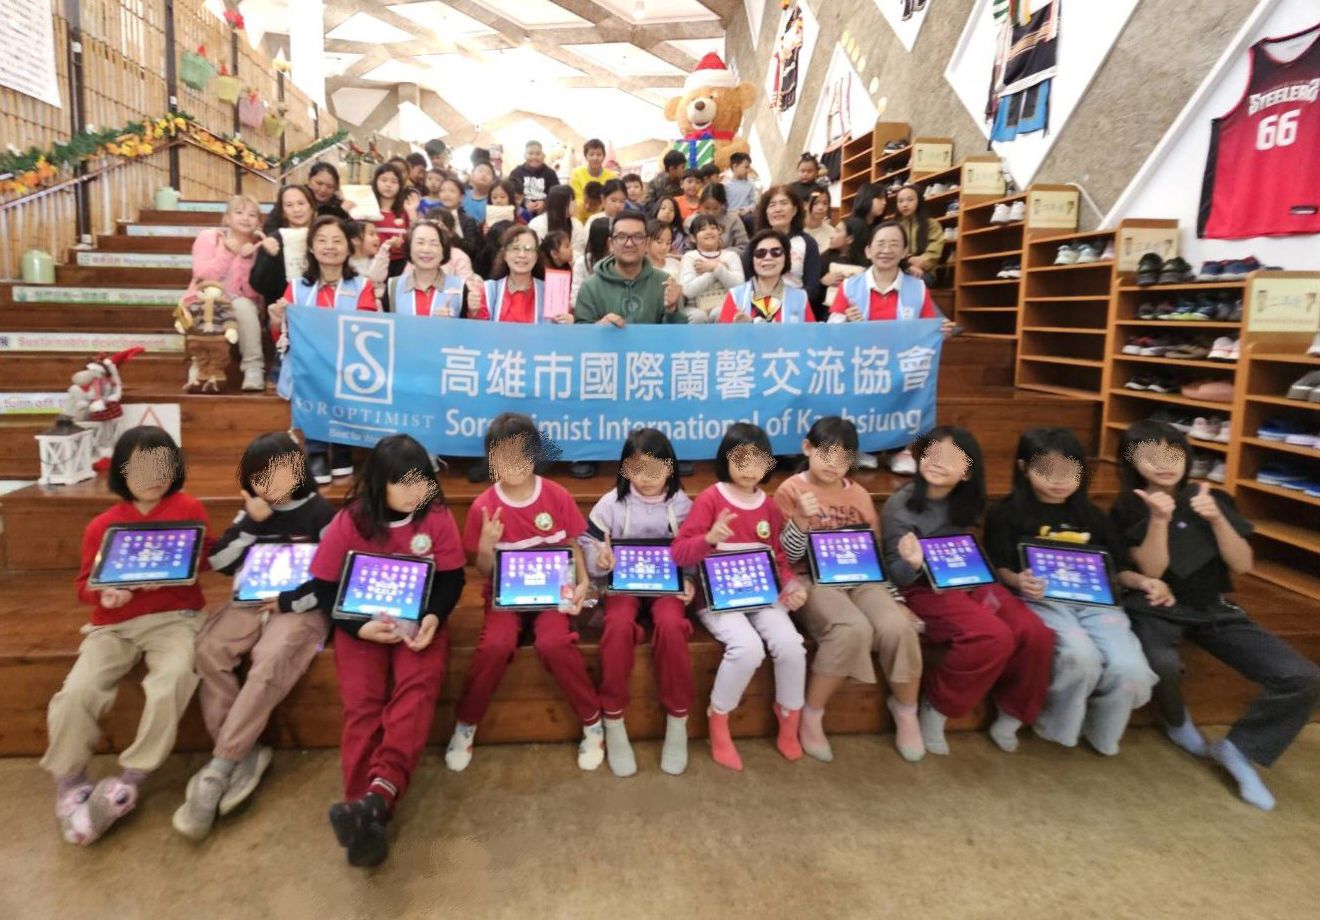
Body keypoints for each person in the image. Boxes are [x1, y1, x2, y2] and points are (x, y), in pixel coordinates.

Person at [1112, 420, 1320, 810]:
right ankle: (1176, 719)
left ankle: (1239, 748)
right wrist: (1159, 520)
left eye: (1172, 453)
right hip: (1155, 607)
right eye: (1149, 455)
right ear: (1131, 462)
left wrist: (1217, 519)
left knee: (1302, 676)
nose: (1164, 463)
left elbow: (1242, 564)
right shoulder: (1127, 505)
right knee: (1161, 661)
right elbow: (1152, 569)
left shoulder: (1213, 497)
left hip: (1212, 607)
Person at [283, 435, 465, 866]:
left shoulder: (437, 517)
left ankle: (377, 798)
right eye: (403, 483)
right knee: (363, 704)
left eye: (422, 481)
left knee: (416, 689)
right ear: (378, 483)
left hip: (418, 623)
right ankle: (362, 808)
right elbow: (325, 586)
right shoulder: (351, 520)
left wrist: (434, 616)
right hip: (359, 626)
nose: (415, 492)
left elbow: (451, 579)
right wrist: (358, 627)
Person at [44, 426, 211, 845]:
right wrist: (105, 593)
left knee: (173, 677)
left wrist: (185, 565)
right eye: (140, 468)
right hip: (113, 625)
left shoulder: (189, 508)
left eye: (161, 466)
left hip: (176, 618)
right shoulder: (102, 526)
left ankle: (133, 776)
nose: (152, 476)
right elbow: (84, 584)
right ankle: (69, 778)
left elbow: (204, 559)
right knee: (78, 690)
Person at [174, 433, 335, 840]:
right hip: (248, 602)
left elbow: (333, 578)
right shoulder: (252, 512)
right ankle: (242, 753)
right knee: (210, 648)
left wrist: (290, 602)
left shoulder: (321, 513)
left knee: (270, 659)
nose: (270, 484)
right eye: (260, 477)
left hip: (298, 607)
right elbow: (220, 563)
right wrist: (251, 522)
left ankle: (220, 766)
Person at [984, 427, 1161, 756]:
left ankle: (1103, 730)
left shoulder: (1093, 516)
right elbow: (999, 565)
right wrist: (1018, 580)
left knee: (1130, 668)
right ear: (1024, 468)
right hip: (1044, 602)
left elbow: (1119, 567)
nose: (1059, 480)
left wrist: (1142, 582)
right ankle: (1058, 726)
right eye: (1047, 470)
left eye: (1069, 471)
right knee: (1080, 658)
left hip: (1098, 604)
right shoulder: (1005, 514)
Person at [879, 427, 1055, 756]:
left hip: (971, 579)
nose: (937, 462)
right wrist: (913, 563)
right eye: (932, 453)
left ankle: (1013, 712)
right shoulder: (899, 506)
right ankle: (937, 705)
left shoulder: (968, 502)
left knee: (1035, 632)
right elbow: (899, 576)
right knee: (992, 636)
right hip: (925, 589)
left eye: (950, 458)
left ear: (967, 472)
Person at [446, 414, 603, 772]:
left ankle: (593, 722)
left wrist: (583, 583)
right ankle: (466, 724)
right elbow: (483, 571)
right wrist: (487, 546)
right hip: (505, 597)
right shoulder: (483, 506)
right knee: (495, 645)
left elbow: (572, 545)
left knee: (554, 643)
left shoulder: (557, 495)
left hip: (553, 595)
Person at [775, 417, 926, 763]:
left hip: (861, 578)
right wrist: (800, 520)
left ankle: (906, 711)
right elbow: (787, 557)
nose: (834, 464)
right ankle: (812, 714)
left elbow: (873, 556)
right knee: (851, 628)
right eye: (826, 454)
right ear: (807, 448)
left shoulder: (858, 494)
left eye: (844, 458)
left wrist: (896, 599)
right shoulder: (790, 490)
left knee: (898, 627)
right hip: (811, 579)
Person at [672, 423, 809, 771]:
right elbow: (680, 553)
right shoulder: (710, 499)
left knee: (792, 646)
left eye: (758, 460)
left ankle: (789, 715)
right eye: (740, 459)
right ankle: (719, 717)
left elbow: (779, 558)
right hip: (716, 598)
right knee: (747, 648)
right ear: (725, 460)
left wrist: (790, 586)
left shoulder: (770, 506)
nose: (749, 468)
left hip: (762, 595)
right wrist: (709, 539)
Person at [580, 429, 696, 776]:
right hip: (622, 588)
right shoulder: (610, 505)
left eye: (655, 469)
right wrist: (599, 560)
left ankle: (678, 720)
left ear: (670, 468)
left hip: (665, 589)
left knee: (672, 625)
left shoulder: (683, 506)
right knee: (617, 625)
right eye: (637, 468)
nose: (646, 478)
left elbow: (694, 551)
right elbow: (588, 547)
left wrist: (689, 579)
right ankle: (614, 719)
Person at [268, 216, 379, 484]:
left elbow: (366, 332)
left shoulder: (362, 285)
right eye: (322, 240)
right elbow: (282, 338)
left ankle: (341, 447)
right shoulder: (296, 287)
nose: (330, 246)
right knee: (314, 375)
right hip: (307, 366)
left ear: (349, 248)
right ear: (311, 247)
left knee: (340, 374)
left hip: (348, 364)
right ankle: (316, 449)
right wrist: (275, 319)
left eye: (337, 240)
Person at [182, 195, 266, 391]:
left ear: (258, 222)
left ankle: (253, 368)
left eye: (252, 214)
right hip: (204, 298)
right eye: (239, 212)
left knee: (244, 306)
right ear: (227, 218)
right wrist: (228, 252)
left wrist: (247, 258)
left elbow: (253, 293)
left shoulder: (258, 246)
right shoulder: (209, 237)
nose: (245, 218)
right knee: (207, 307)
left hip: (239, 304)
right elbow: (202, 275)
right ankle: (200, 368)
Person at [573, 212, 685, 328]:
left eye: (637, 237)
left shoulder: (665, 283)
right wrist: (599, 327)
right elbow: (581, 331)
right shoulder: (591, 286)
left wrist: (672, 311)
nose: (629, 243)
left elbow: (680, 333)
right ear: (611, 244)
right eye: (621, 237)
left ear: (647, 243)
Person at [466, 225, 574, 325]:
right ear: (505, 255)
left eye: (528, 249)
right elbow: (480, 333)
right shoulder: (488, 291)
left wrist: (567, 324)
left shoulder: (552, 292)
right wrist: (474, 312)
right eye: (515, 248)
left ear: (536, 257)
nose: (522, 255)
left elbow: (557, 333)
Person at [743, 185, 822, 314]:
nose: (778, 209)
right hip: (759, 309)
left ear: (794, 210)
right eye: (772, 205)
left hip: (795, 309)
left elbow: (812, 288)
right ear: (766, 212)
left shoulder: (807, 243)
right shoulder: (755, 244)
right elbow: (748, 283)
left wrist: (787, 304)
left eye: (784, 203)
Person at [718, 229, 812, 324]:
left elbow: (811, 333)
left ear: (786, 258)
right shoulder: (736, 296)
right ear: (751, 259)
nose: (768, 257)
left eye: (776, 252)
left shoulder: (800, 298)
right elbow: (724, 333)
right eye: (760, 253)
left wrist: (752, 324)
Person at [250, 184, 316, 308]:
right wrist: (269, 257)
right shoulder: (274, 239)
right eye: (289, 205)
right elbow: (258, 285)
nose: (296, 209)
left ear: (311, 207)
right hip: (282, 310)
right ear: (283, 212)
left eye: (301, 203)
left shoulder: (322, 237)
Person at [389, 221, 465, 317]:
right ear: (409, 248)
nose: (426, 249)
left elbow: (470, 324)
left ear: (444, 250)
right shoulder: (393, 286)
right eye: (420, 243)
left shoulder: (459, 287)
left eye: (434, 243)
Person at [679, 213, 744, 323]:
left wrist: (716, 267)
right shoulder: (689, 257)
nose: (709, 232)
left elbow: (739, 287)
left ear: (719, 232)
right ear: (693, 238)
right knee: (698, 316)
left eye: (713, 228)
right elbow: (687, 290)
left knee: (721, 312)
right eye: (702, 229)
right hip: (695, 307)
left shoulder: (731, 256)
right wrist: (715, 270)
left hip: (725, 304)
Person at [369, 163, 416, 277]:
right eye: (384, 180)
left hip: (400, 264)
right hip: (372, 262)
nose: (388, 185)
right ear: (375, 182)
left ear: (400, 185)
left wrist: (412, 212)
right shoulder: (367, 210)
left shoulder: (405, 210)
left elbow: (415, 234)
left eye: (394, 181)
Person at [889, 184, 945, 279]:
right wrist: (907, 262)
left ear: (919, 201)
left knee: (911, 279)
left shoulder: (931, 224)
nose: (905, 204)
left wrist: (920, 262)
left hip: (924, 271)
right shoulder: (893, 226)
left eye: (910, 200)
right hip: (899, 267)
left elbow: (933, 252)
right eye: (900, 201)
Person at [687, 182, 749, 251]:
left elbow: (743, 247)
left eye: (715, 208)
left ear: (723, 205)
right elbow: (687, 248)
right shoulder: (691, 221)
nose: (711, 213)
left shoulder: (733, 220)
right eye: (706, 208)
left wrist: (721, 254)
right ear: (700, 204)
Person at [529, 184, 587, 257]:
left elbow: (579, 252)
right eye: (572, 200)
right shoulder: (537, 224)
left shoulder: (577, 225)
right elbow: (534, 251)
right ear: (561, 203)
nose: (575, 203)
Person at [508, 140, 560, 216]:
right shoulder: (516, 173)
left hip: (545, 213)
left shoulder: (551, 173)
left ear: (543, 156)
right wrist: (525, 202)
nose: (534, 157)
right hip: (521, 213)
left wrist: (544, 203)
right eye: (530, 153)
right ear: (525, 155)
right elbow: (511, 193)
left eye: (538, 154)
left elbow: (556, 195)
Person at [435, 175, 482, 256]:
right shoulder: (434, 216)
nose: (446, 194)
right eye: (442, 191)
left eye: (452, 191)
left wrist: (452, 235)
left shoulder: (468, 221)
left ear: (461, 197)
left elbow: (470, 249)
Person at [345, 219, 390, 303]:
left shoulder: (377, 260)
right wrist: (385, 248)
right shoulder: (346, 266)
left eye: (376, 234)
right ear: (356, 240)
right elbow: (373, 278)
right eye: (371, 234)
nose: (377, 238)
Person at [570, 137, 617, 204]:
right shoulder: (576, 174)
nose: (595, 158)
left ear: (604, 156)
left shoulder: (612, 177)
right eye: (591, 155)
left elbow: (613, 199)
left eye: (599, 154)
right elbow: (577, 200)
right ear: (586, 156)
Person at [723, 152, 759, 230]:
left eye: (749, 167)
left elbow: (754, 202)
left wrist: (748, 209)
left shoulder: (750, 185)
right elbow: (723, 205)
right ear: (735, 166)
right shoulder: (725, 186)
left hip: (746, 216)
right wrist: (732, 213)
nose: (748, 170)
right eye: (746, 167)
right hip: (730, 217)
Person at [804, 188, 835, 255]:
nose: (821, 207)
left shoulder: (832, 233)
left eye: (825, 203)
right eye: (815, 203)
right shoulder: (795, 230)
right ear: (805, 205)